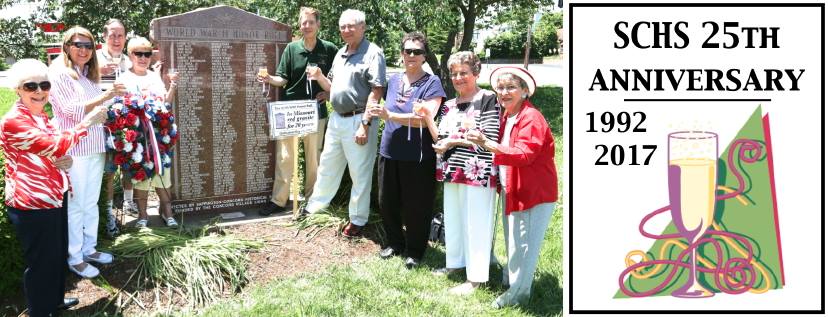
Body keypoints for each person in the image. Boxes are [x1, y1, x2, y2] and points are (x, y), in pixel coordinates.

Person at [1, 59, 108, 316]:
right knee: (40, 262)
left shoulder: (41, 116)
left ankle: (55, 301)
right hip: (32, 202)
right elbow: (55, 145)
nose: (39, 91)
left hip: (54, 196)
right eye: (31, 86)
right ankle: (40, 310)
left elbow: (56, 149)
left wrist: (65, 160)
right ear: (18, 89)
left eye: (44, 85)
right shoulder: (14, 121)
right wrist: (88, 122)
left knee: (57, 254)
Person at [465, 66, 558, 308]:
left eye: (511, 87)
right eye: (501, 87)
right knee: (515, 240)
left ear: (525, 91)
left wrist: (488, 144)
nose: (504, 92)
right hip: (513, 188)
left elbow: (525, 154)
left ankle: (518, 295)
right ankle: (510, 282)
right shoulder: (509, 115)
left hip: (533, 192)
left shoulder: (531, 118)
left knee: (525, 245)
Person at [49, 25, 126, 279]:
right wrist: (107, 96)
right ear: (67, 46)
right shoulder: (59, 73)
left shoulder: (87, 75)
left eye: (88, 46)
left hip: (95, 146)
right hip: (75, 150)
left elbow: (98, 112)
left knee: (91, 203)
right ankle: (74, 257)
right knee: (76, 205)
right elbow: (72, 111)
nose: (83, 50)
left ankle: (89, 248)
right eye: (78, 45)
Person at [302, 9, 386, 237]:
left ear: (362, 27)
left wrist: (365, 123)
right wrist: (320, 77)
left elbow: (376, 91)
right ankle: (315, 207)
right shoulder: (340, 53)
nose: (346, 30)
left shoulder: (373, 53)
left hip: (359, 119)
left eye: (351, 26)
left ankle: (358, 219)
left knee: (360, 172)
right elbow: (333, 87)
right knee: (328, 165)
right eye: (343, 27)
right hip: (337, 120)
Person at [426, 51, 500, 295]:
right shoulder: (448, 105)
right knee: (455, 220)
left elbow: (488, 137)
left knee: (476, 223)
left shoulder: (488, 98)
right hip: (452, 170)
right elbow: (442, 137)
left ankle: (476, 278)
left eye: (464, 73)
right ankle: (455, 264)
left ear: (476, 73)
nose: (458, 78)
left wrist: (450, 144)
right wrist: (429, 121)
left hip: (478, 171)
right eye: (454, 73)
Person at [370, 32, 445, 269]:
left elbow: (426, 118)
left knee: (417, 204)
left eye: (417, 52)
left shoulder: (432, 83)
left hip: (418, 156)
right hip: (389, 150)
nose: (411, 55)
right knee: (387, 201)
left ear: (424, 56)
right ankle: (395, 243)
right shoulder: (393, 80)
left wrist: (390, 115)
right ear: (401, 53)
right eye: (407, 51)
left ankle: (415, 250)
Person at [257, 6, 338, 216]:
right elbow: (282, 79)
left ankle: (312, 201)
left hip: (315, 112)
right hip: (289, 111)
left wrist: (329, 95)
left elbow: (338, 82)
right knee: (284, 158)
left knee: (313, 158)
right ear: (299, 25)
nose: (307, 26)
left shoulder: (329, 49)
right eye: (304, 22)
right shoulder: (292, 49)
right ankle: (279, 200)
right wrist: (269, 79)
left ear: (318, 25)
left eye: (311, 22)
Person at [119, 37, 180, 228]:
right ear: (130, 55)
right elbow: (121, 108)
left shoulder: (154, 77)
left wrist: (172, 86)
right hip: (138, 137)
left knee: (163, 174)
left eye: (147, 54)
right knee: (141, 177)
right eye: (139, 54)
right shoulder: (123, 78)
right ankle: (143, 216)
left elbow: (166, 103)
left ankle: (168, 213)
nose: (143, 58)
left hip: (158, 135)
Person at [97, 18, 135, 238]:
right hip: (105, 124)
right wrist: (97, 72)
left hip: (128, 121)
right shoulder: (93, 59)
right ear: (104, 36)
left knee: (129, 167)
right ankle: (109, 213)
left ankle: (129, 203)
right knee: (110, 171)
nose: (116, 39)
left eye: (120, 35)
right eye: (112, 34)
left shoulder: (129, 59)